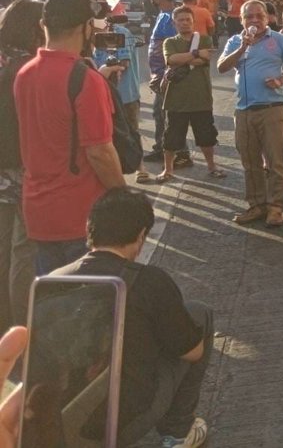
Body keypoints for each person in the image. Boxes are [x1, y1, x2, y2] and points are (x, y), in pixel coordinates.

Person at [56, 188, 213, 448]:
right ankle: (178, 432)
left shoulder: (52, 281)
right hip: (126, 417)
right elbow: (193, 352)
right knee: (199, 313)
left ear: (89, 229)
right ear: (141, 235)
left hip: (66, 419)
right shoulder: (149, 280)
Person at [14, 0, 126, 273]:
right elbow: (100, 151)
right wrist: (123, 197)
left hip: (39, 210)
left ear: (43, 25)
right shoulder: (85, 79)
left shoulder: (25, 73)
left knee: (54, 304)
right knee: (89, 306)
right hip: (81, 214)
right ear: (86, 27)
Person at [217, 0, 283, 228]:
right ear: (242, 20)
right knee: (250, 162)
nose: (254, 20)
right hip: (243, 111)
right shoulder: (236, 41)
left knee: (276, 162)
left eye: (259, 16)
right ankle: (256, 206)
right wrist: (242, 48)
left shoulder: (279, 40)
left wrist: (281, 81)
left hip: (271, 110)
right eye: (249, 16)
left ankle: (275, 208)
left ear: (267, 18)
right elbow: (221, 67)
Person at [0, 0, 41, 331]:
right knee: (24, 250)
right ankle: (21, 326)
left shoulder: (5, 61)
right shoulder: (27, 68)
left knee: (4, 248)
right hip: (20, 165)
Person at [159, 6, 222, 183]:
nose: (185, 23)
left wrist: (183, 57)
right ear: (174, 23)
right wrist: (194, 53)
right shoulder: (170, 42)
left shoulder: (205, 39)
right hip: (176, 100)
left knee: (206, 137)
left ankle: (212, 166)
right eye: (181, 20)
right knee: (171, 138)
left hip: (201, 99)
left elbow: (205, 58)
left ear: (193, 21)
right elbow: (171, 60)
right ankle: (168, 170)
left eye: (188, 19)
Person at [91, 8, 148, 183]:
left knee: (132, 131)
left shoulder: (122, 33)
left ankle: (140, 167)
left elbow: (124, 63)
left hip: (125, 94)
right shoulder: (87, 38)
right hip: (98, 94)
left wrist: (108, 64)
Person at [146, 0, 192, 170]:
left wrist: (167, 73)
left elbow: (175, 46)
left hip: (168, 75)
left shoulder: (170, 18)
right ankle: (162, 147)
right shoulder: (163, 15)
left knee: (169, 114)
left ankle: (181, 153)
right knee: (160, 113)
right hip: (160, 74)